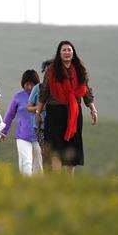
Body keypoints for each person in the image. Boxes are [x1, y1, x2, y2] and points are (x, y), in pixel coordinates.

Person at [36, 40, 98, 174]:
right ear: (59, 53)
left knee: (73, 146)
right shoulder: (51, 71)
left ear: (73, 53)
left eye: (69, 50)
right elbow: (44, 92)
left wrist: (93, 109)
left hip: (74, 113)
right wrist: (38, 113)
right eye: (63, 50)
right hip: (55, 113)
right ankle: (56, 179)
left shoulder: (80, 70)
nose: (67, 52)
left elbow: (86, 91)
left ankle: (69, 181)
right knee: (56, 147)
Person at [3, 70, 43, 176]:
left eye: (32, 84)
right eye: (27, 84)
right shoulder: (18, 97)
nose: (29, 87)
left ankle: (39, 188)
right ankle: (26, 185)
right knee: (26, 162)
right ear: (23, 84)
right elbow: (9, 115)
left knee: (39, 164)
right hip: (22, 136)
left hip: (39, 135)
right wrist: (3, 131)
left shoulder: (42, 97)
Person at [27, 59, 53, 171]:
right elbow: (29, 107)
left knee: (57, 153)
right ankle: (48, 177)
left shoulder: (60, 88)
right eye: (47, 71)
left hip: (57, 124)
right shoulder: (38, 88)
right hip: (41, 125)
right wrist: (41, 108)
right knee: (46, 153)